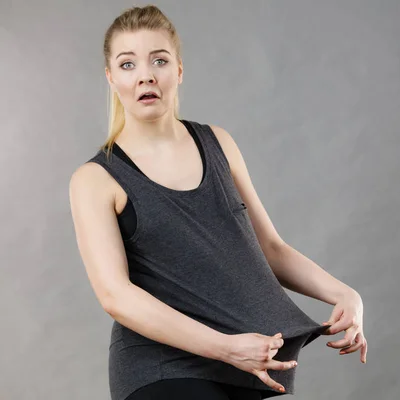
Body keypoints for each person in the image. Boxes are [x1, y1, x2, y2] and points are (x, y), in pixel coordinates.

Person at [69, 5, 367, 400]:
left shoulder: (218, 143)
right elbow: (115, 296)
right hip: (159, 366)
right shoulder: (94, 179)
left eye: (159, 60)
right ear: (111, 78)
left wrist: (346, 295)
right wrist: (226, 347)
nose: (146, 75)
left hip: (243, 360)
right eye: (127, 64)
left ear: (178, 71)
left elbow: (271, 249)